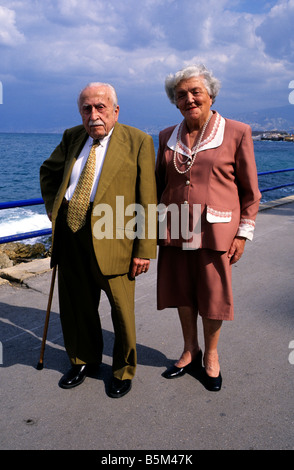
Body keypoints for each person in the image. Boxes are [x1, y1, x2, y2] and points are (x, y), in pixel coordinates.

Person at [40, 82, 157, 398]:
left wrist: (144, 249)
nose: (93, 115)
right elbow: (49, 172)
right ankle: (82, 360)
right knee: (77, 305)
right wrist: (56, 211)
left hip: (114, 236)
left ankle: (123, 370)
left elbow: (147, 198)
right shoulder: (72, 137)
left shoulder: (139, 141)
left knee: (121, 311)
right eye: (86, 108)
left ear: (115, 110)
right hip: (71, 234)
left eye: (100, 107)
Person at [156, 64, 261, 391]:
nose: (188, 99)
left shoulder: (237, 132)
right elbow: (159, 185)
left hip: (216, 232)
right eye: (180, 95)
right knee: (183, 294)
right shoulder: (165, 136)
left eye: (195, 91)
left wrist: (243, 234)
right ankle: (190, 350)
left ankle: (211, 356)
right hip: (173, 230)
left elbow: (250, 191)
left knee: (213, 296)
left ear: (210, 94)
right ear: (174, 102)